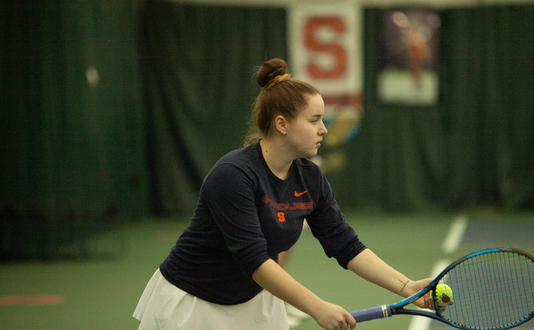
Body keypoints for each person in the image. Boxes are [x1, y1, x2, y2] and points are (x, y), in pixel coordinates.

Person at [133, 58, 434, 330]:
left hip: (255, 303)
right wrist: (318, 308)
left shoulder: (310, 177)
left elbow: (345, 244)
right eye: (314, 120)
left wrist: (407, 287)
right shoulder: (232, 176)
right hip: (194, 305)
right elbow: (255, 261)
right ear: (282, 124)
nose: (324, 130)